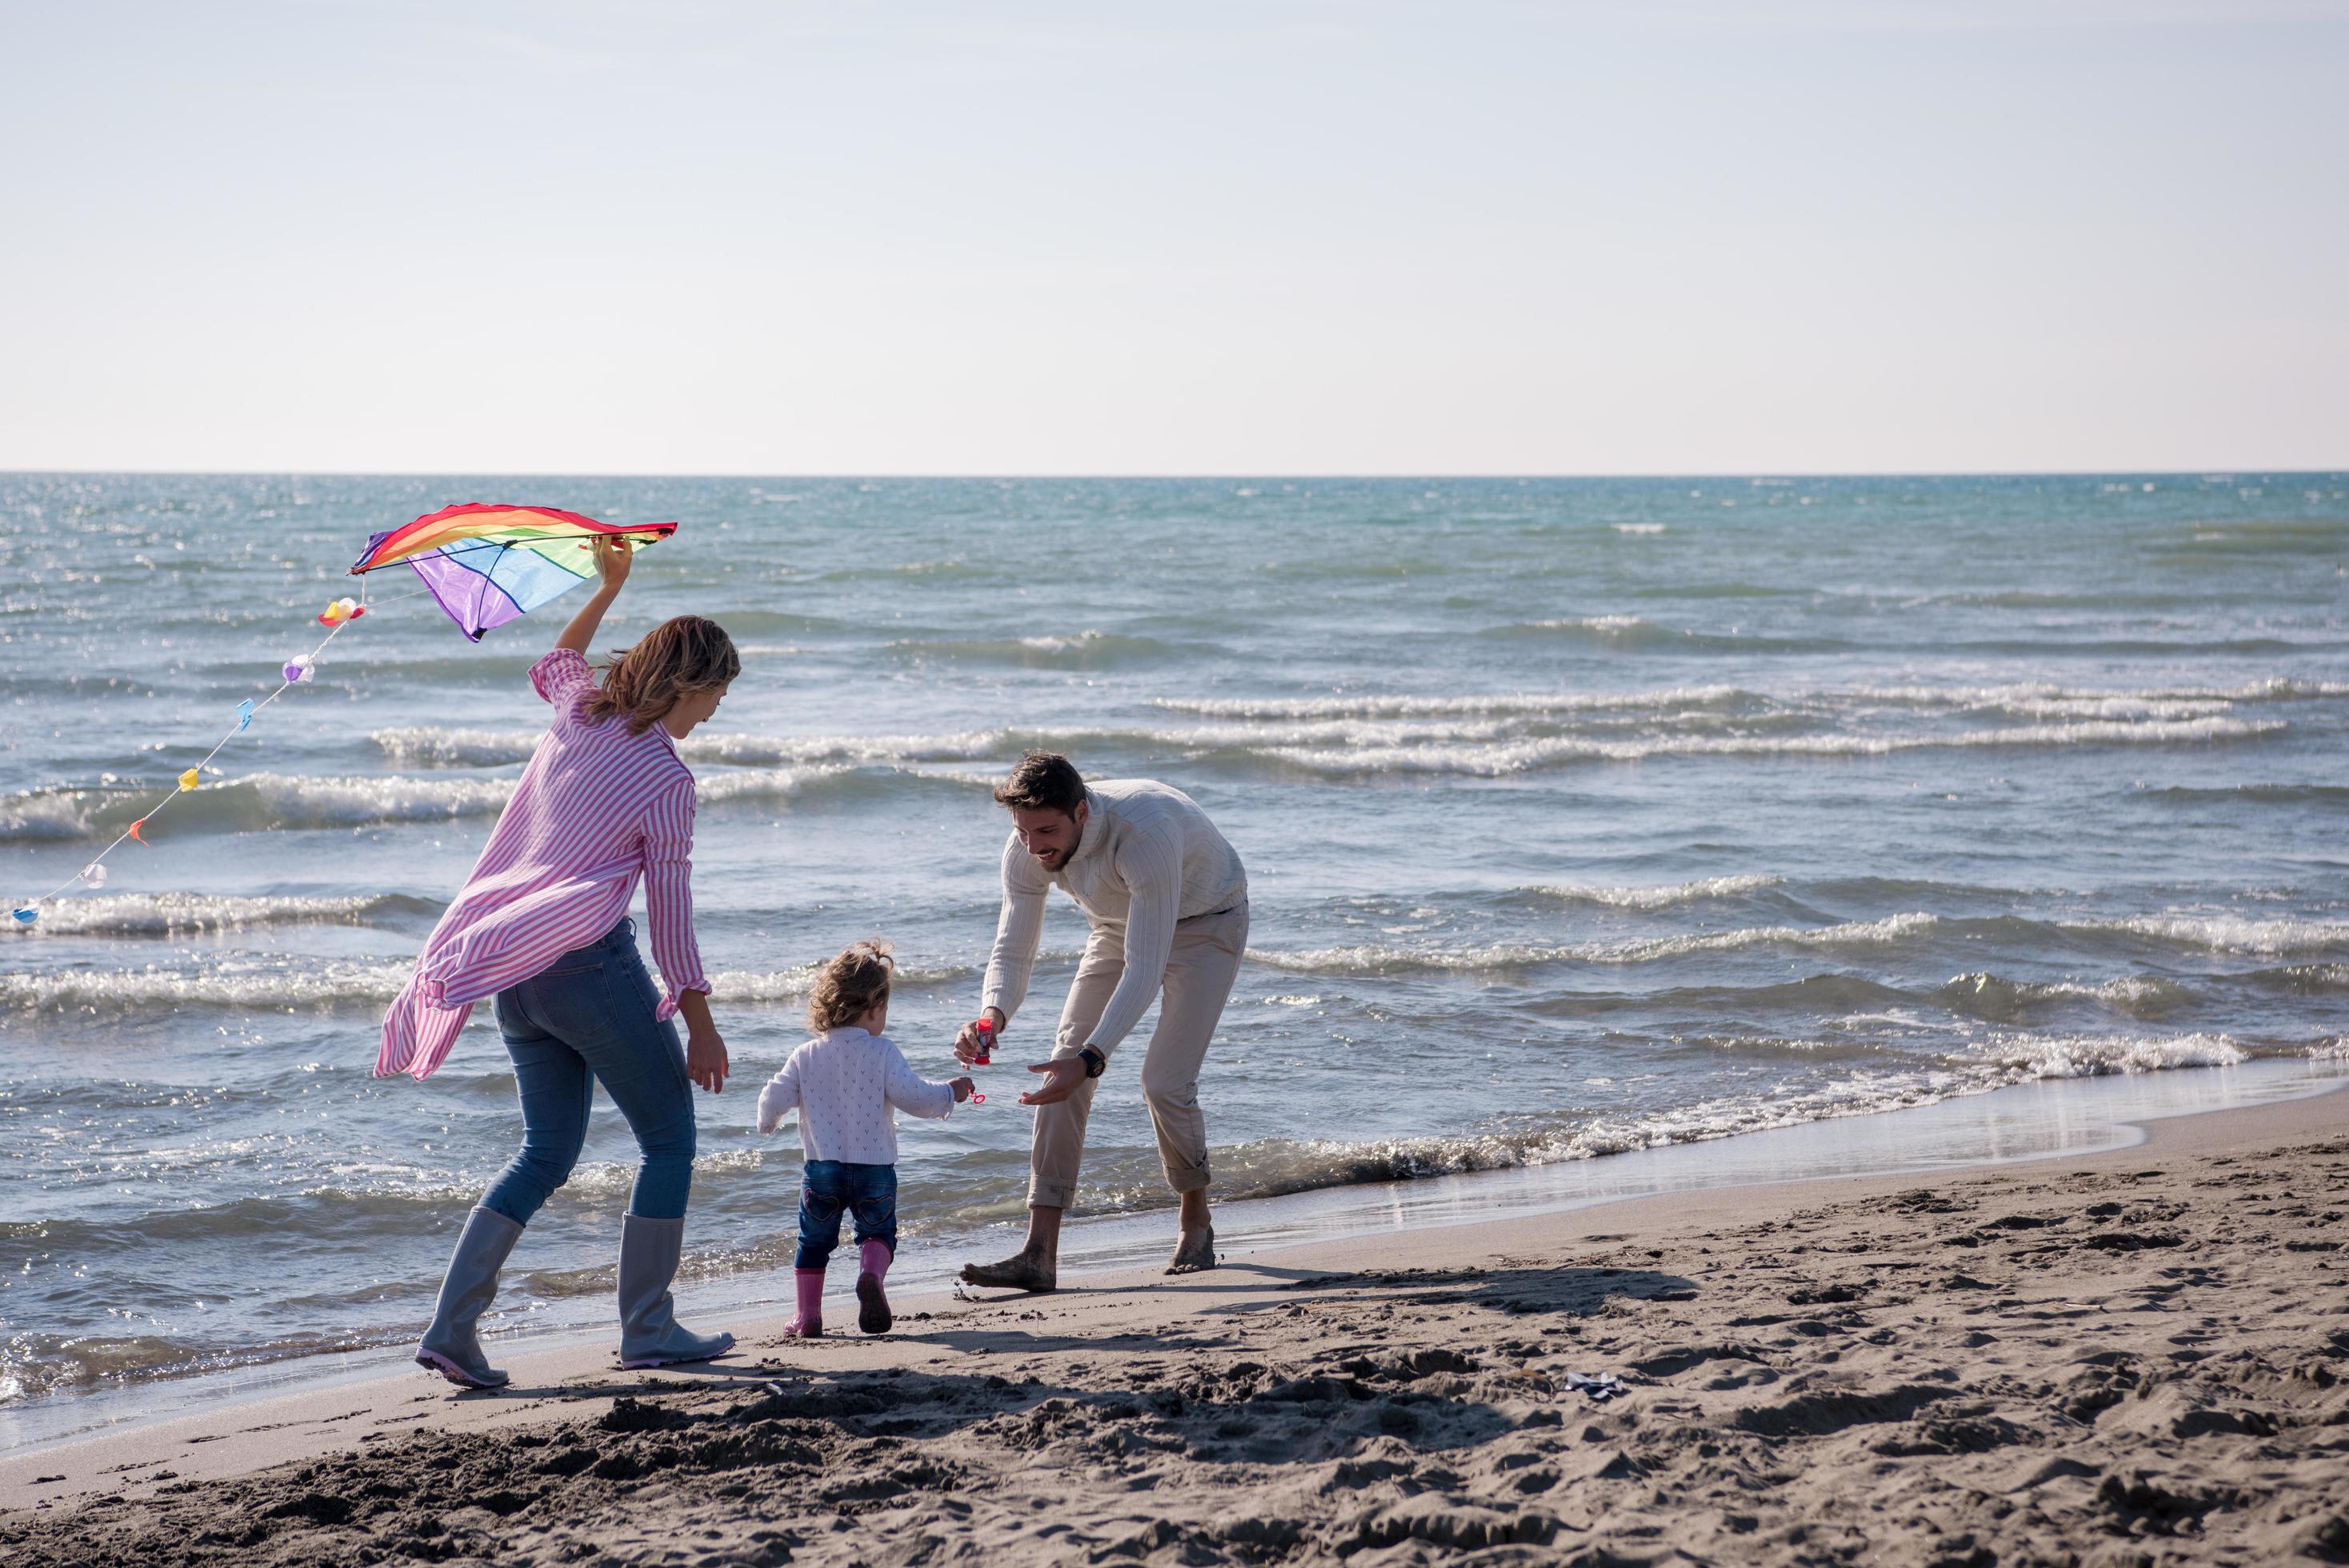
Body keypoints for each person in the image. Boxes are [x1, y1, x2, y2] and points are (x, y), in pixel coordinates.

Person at [380, 534, 740, 1387]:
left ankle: (452, 1328)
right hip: (590, 968)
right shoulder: (666, 780)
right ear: (689, 685)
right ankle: (648, 1327)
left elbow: (560, 660)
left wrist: (610, 586)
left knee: (545, 1153)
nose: (717, 710)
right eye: (718, 694)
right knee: (669, 1140)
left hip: (517, 971)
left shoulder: (579, 716)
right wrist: (701, 1027)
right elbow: (672, 927)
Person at [954, 752, 1249, 1293]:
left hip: (1209, 922)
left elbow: (1146, 967)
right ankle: (1039, 1255)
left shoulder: (1144, 833)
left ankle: (1196, 1221)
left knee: (1162, 1082)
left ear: (1083, 813)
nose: (1033, 844)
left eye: (1046, 830)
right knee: (1058, 1070)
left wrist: (1093, 1060)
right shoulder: (1024, 849)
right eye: (1022, 831)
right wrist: (990, 1016)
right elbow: (1013, 948)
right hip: (1116, 926)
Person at [756, 939, 974, 1337]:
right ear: (874, 1008)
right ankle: (871, 1274)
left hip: (821, 1170)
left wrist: (767, 1121)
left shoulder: (805, 1054)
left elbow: (776, 1095)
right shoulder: (882, 1051)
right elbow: (915, 1097)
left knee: (813, 1242)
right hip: (874, 1170)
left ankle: (807, 1318)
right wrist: (950, 1092)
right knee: (877, 1233)